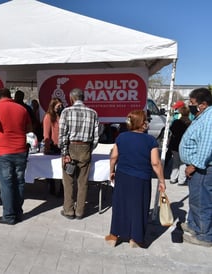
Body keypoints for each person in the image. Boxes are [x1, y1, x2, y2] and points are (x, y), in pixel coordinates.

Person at [105, 110, 166, 248]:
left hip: (123, 175)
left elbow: (114, 156)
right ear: (142, 123)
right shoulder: (150, 140)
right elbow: (155, 163)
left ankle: (114, 235)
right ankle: (136, 238)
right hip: (141, 178)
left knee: (120, 205)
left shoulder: (121, 137)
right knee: (140, 207)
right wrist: (162, 181)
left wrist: (111, 171)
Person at [0, 88, 32, 225]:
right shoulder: (22, 109)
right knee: (19, 182)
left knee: (6, 184)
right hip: (20, 150)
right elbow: (29, 129)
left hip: (3, 151)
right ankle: (18, 212)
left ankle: (8, 215)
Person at [58, 88, 99, 220]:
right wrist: (89, 148)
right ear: (83, 98)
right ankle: (80, 211)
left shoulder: (66, 111)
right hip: (85, 147)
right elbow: (96, 136)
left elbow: (62, 134)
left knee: (68, 181)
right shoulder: (93, 113)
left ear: (71, 98)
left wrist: (65, 152)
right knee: (83, 182)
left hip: (70, 146)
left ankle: (69, 210)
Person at [179, 87, 212, 247]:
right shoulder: (202, 116)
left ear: (203, 104)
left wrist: (194, 165)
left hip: (202, 168)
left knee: (202, 201)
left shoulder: (209, 118)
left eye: (192, 103)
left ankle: (204, 235)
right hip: (196, 167)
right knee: (195, 199)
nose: (190, 106)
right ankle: (193, 225)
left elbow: (207, 146)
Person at [168, 105, 191, 185]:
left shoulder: (176, 122)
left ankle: (173, 178)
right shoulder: (190, 123)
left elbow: (171, 129)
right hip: (185, 145)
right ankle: (181, 180)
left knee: (175, 162)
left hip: (175, 144)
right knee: (183, 163)